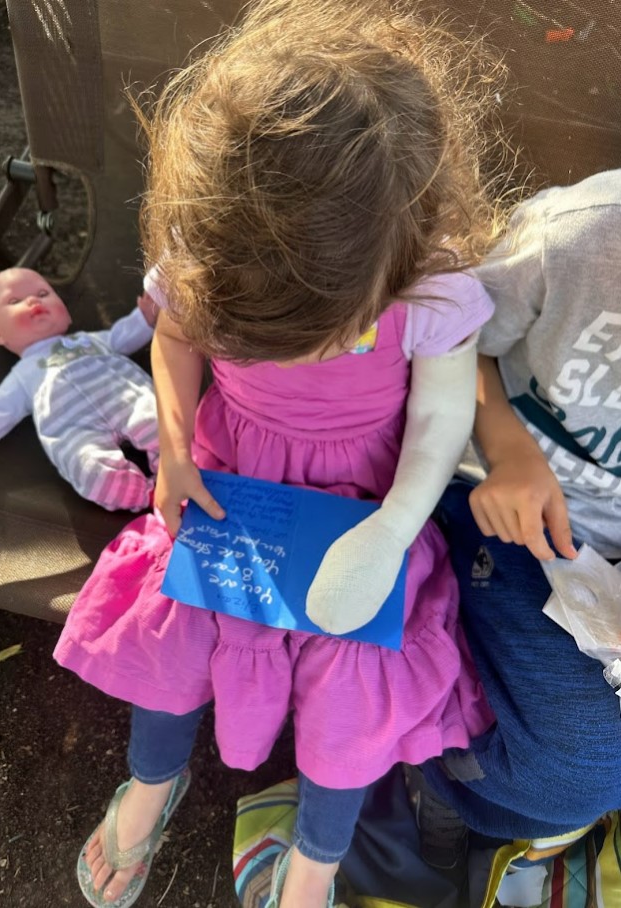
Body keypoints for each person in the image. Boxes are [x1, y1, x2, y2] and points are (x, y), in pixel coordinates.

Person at [53, 1, 513, 905]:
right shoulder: (215, 239)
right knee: (175, 627)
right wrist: (174, 449)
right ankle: (152, 780)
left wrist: (394, 528)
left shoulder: (433, 280)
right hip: (232, 482)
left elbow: (441, 415)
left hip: (363, 507)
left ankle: (319, 856)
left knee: (354, 680)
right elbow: (175, 337)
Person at [420, 169, 621, 859]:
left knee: (574, 774)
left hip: (601, 568)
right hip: (504, 510)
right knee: (582, 773)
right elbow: (451, 336)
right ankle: (443, 774)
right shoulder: (581, 237)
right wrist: (509, 452)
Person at [0, 267, 160, 512]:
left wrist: (144, 318)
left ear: (66, 313)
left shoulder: (89, 340)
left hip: (125, 397)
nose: (34, 300)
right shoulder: (22, 375)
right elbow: (3, 406)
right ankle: (148, 495)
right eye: (15, 301)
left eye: (43, 294)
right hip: (74, 427)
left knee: (162, 423)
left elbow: (121, 336)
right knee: (88, 468)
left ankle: (176, 468)